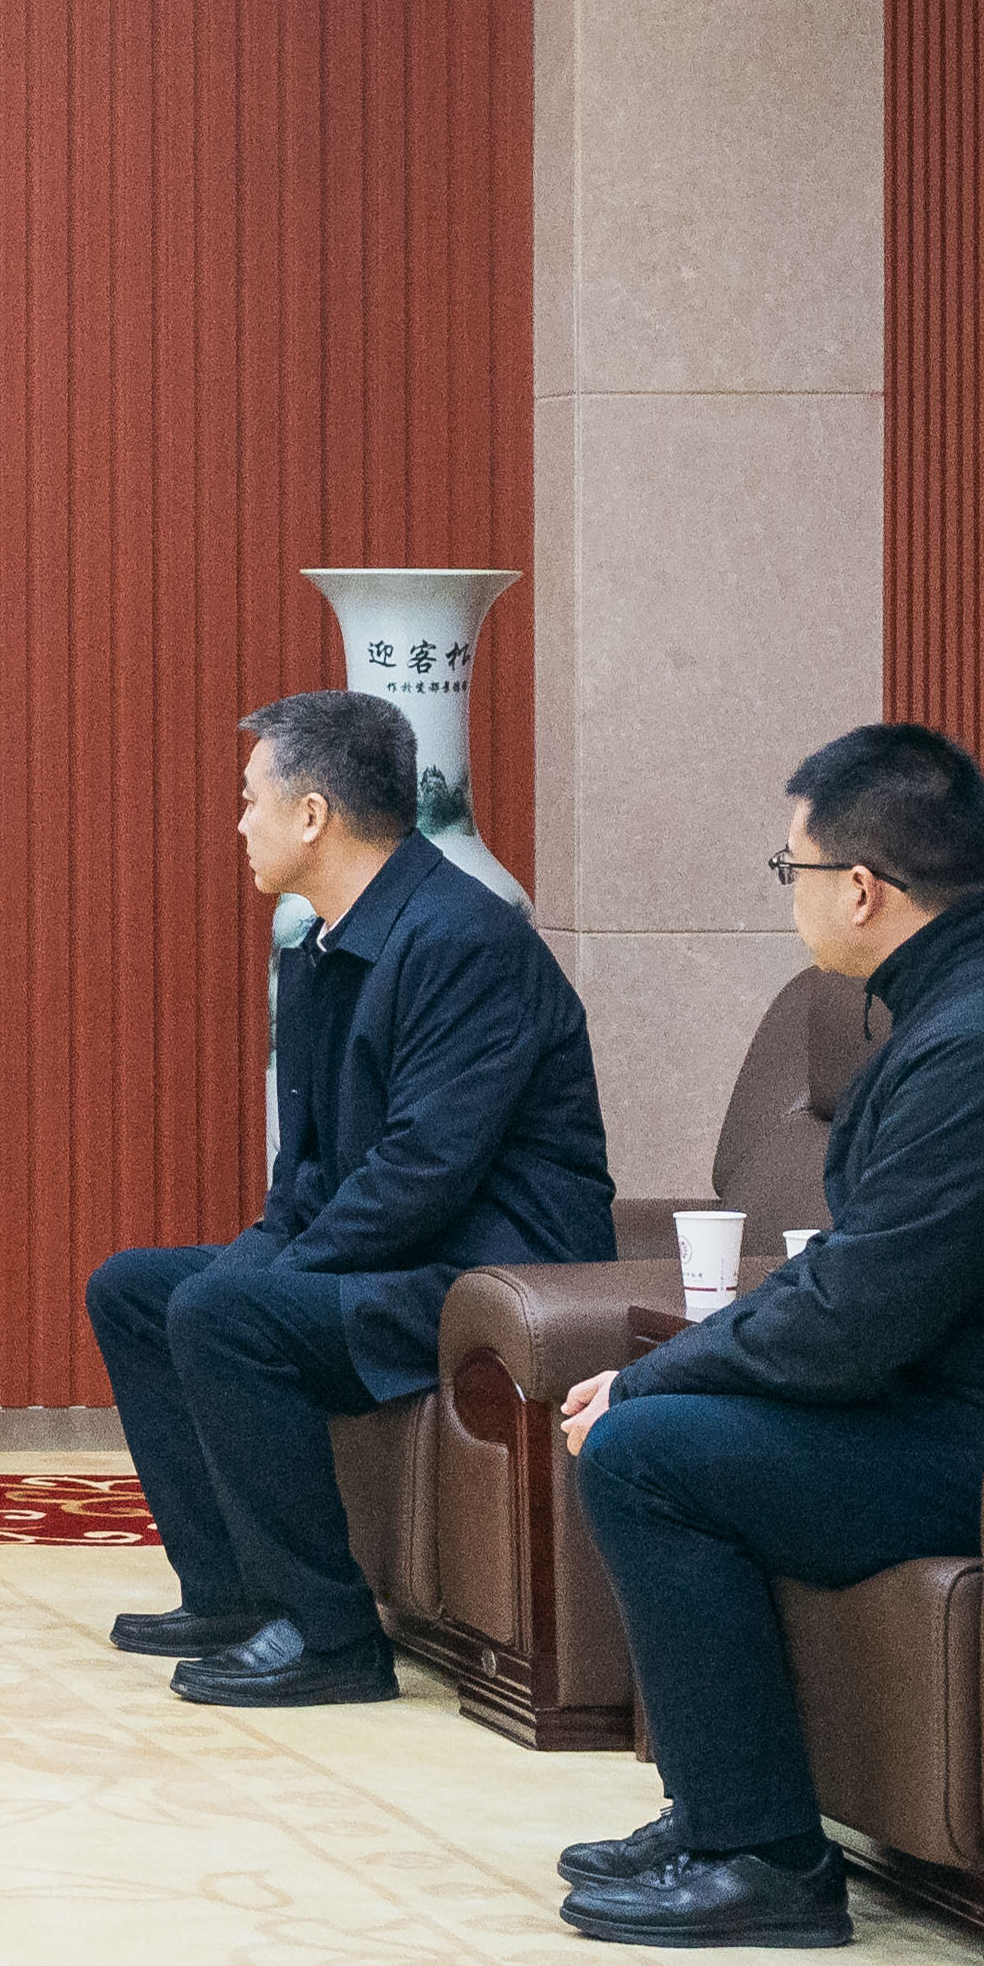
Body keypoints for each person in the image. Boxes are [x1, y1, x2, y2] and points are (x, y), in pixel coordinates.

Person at [554, 724, 984, 1945]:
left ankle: (760, 1857)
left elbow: (854, 1318)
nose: (790, 897)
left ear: (860, 888)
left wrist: (649, 1380)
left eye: (792, 870)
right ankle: (715, 1809)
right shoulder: (974, 1000)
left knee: (645, 1455)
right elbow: (865, 1286)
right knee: (667, 1425)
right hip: (978, 1401)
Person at [88, 689, 619, 1709]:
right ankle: (232, 1592)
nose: (238, 822)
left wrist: (266, 1279)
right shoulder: (323, 946)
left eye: (250, 798)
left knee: (224, 1311)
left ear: (311, 815)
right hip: (402, 1252)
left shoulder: (464, 940)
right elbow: (306, 1172)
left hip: (486, 1270)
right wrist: (261, 1257)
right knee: (134, 1289)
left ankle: (331, 1638)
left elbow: (422, 1172)